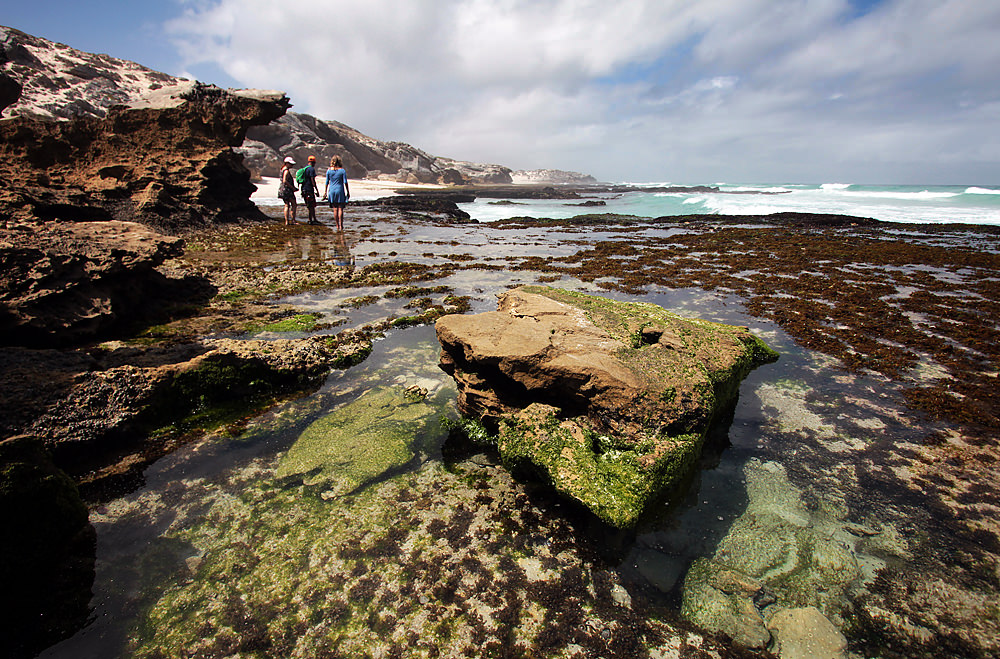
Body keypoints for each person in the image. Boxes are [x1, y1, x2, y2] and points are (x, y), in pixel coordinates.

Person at [323, 155, 350, 231]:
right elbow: (345, 182)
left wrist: (325, 192)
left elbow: (326, 182)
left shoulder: (329, 171)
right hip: (340, 190)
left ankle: (337, 225)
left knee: (335, 209)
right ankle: (341, 225)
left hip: (332, 190)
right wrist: (348, 191)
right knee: (340, 208)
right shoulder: (342, 171)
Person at [278, 156, 297, 225]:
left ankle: (286, 221)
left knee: (286, 205)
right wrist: (292, 188)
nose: (292, 165)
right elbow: (284, 181)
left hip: (282, 189)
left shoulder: (282, 169)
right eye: (290, 164)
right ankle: (293, 220)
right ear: (286, 163)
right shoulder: (286, 171)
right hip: (287, 190)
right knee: (294, 204)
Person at [302, 155, 319, 225]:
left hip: (303, 189)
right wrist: (316, 189)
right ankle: (310, 220)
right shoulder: (311, 169)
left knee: (310, 205)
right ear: (314, 163)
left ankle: (313, 219)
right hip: (309, 189)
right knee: (311, 205)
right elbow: (312, 180)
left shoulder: (305, 169)